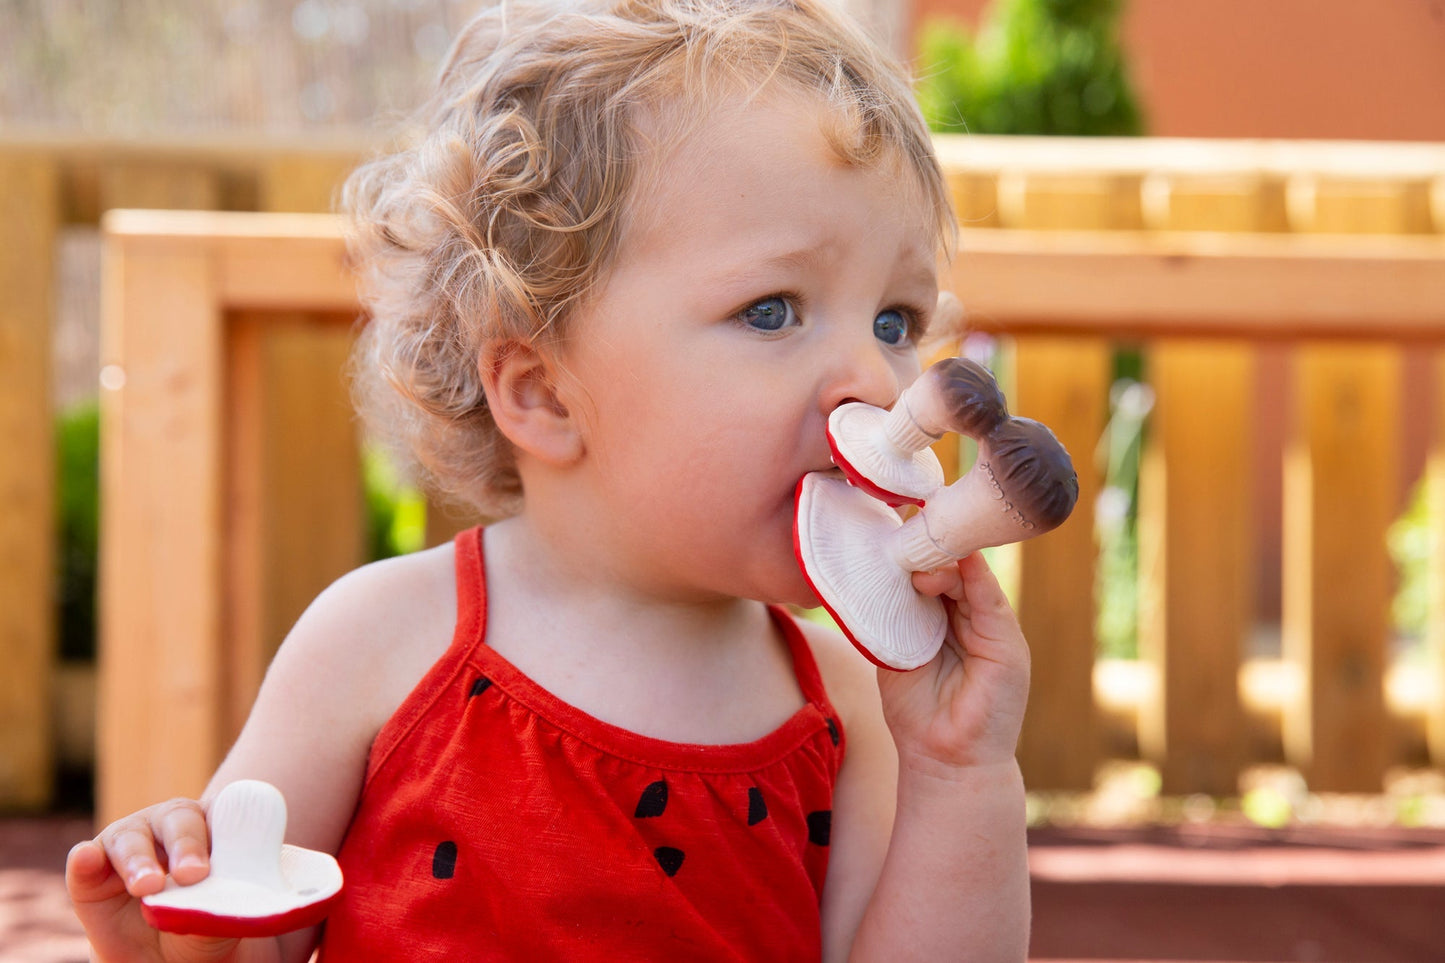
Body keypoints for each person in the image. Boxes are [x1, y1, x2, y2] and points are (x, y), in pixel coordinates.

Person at [66, 0, 1032, 959]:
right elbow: (248, 941)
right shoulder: (378, 642)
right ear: (542, 394)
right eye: (773, 309)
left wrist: (958, 771)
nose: (874, 380)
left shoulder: (850, 710)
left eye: (896, 322)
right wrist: (176, 922)